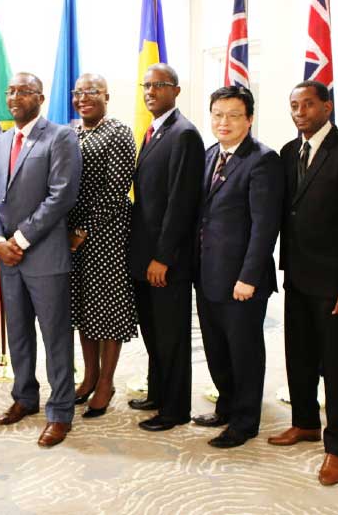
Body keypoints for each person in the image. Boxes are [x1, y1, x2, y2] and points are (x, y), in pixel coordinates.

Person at [268, 80, 338, 484]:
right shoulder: (289, 152)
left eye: (308, 104)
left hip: (334, 283)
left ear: (327, 107)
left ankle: (336, 447)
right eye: (294, 105)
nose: (300, 112)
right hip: (296, 275)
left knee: (336, 366)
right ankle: (305, 422)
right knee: (299, 355)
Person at [0, 72, 81, 447]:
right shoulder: (0, 142)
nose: (15, 97)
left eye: (24, 91)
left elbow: (61, 195)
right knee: (19, 334)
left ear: (40, 97)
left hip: (45, 257)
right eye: (11, 90)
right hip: (6, 258)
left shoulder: (60, 137)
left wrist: (19, 238)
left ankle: (60, 413)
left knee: (55, 337)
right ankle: (24, 397)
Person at [194, 86, 282, 448]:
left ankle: (245, 422)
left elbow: (265, 227)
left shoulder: (262, 160)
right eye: (217, 114)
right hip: (208, 274)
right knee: (216, 348)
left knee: (244, 351)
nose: (224, 121)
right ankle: (227, 405)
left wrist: (248, 277)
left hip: (241, 280)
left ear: (249, 119)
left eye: (233, 115)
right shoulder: (210, 153)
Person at [128, 63, 204, 431]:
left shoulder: (185, 134)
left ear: (175, 90)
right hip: (144, 255)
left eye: (159, 85)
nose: (150, 91)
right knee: (153, 332)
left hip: (165, 259)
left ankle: (175, 409)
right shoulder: (154, 132)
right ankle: (158, 393)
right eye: (147, 85)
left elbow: (180, 203)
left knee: (171, 336)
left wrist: (162, 257)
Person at [68, 73, 137, 418]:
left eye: (92, 91)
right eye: (78, 92)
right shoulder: (70, 131)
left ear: (107, 96)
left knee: (107, 309)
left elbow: (117, 189)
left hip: (107, 233)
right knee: (82, 307)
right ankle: (89, 374)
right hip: (70, 236)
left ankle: (106, 381)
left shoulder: (118, 132)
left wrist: (84, 229)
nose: (84, 97)